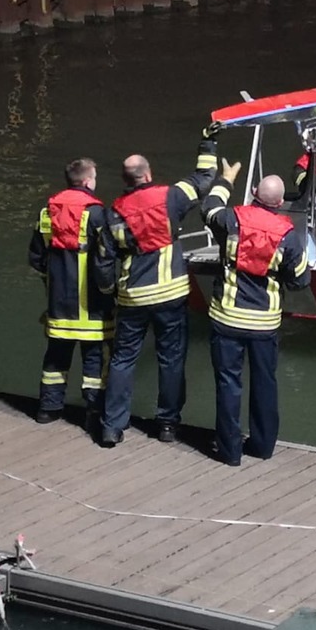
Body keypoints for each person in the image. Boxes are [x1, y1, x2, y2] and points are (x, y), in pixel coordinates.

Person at [98, 131, 220, 447]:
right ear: (148, 174)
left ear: (125, 179)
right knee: (171, 359)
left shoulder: (113, 213)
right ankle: (167, 424)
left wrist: (109, 292)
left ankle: (112, 426)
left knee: (122, 361)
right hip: (170, 294)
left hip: (132, 297)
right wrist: (208, 142)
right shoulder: (171, 197)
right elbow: (205, 177)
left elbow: (103, 261)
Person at [201, 160, 311, 467]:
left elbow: (208, 207)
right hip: (264, 324)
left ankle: (229, 451)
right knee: (265, 383)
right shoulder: (288, 236)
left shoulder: (231, 220)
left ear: (253, 193)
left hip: (226, 317)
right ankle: (262, 446)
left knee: (227, 384)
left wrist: (225, 179)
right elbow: (301, 280)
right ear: (280, 203)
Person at [28, 158, 116, 425]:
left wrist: (53, 282)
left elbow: (36, 258)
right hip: (93, 306)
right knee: (94, 363)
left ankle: (48, 409)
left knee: (55, 359)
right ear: (88, 181)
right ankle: (93, 412)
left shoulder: (47, 213)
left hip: (59, 306)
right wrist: (110, 289)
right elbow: (107, 258)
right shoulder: (98, 215)